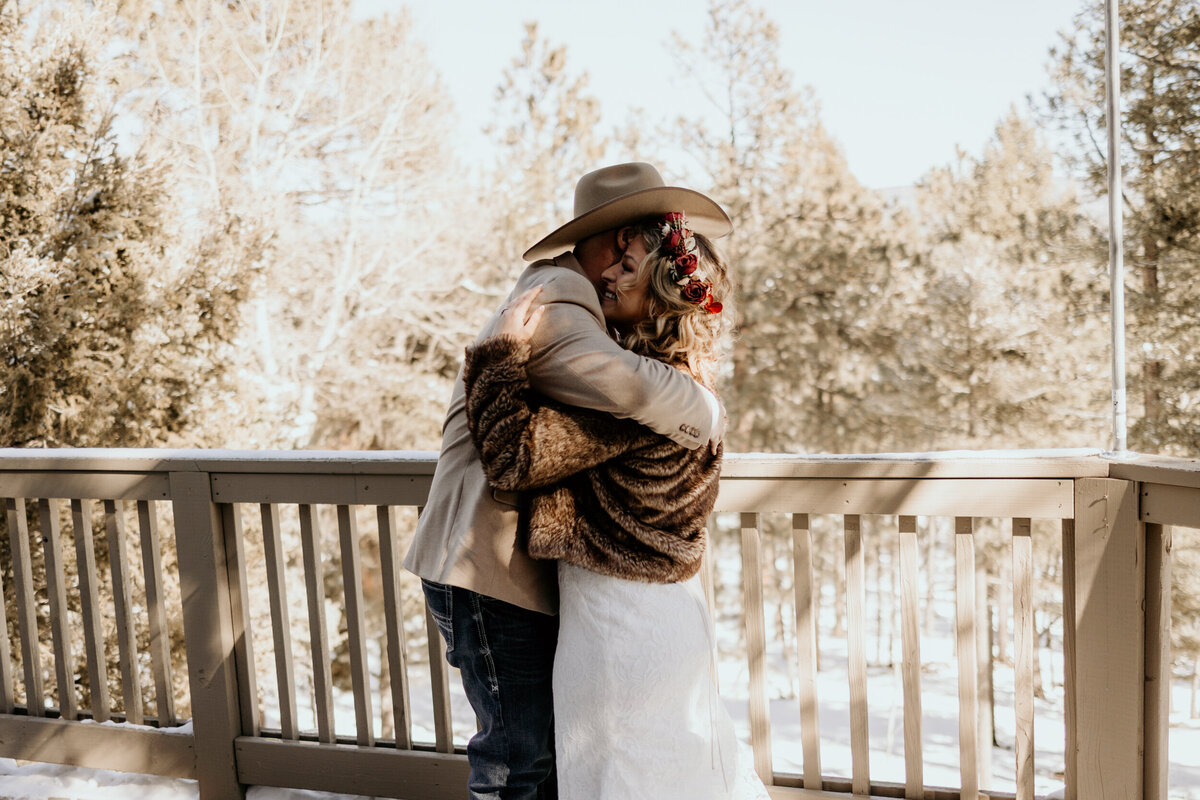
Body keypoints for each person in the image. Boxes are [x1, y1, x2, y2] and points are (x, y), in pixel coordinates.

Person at [403, 162, 732, 799]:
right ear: (616, 234)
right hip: (487, 567)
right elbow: (618, 389)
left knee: (543, 761)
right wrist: (703, 410)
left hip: (564, 586)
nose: (615, 269)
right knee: (518, 763)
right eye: (626, 246)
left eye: (633, 257)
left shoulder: (581, 307)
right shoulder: (558, 296)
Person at [461, 213, 770, 800]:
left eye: (628, 268)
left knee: (623, 775)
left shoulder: (632, 401)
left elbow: (511, 455)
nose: (610, 276)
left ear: (657, 295)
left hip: (617, 628)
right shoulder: (686, 386)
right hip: (665, 616)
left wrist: (496, 352)